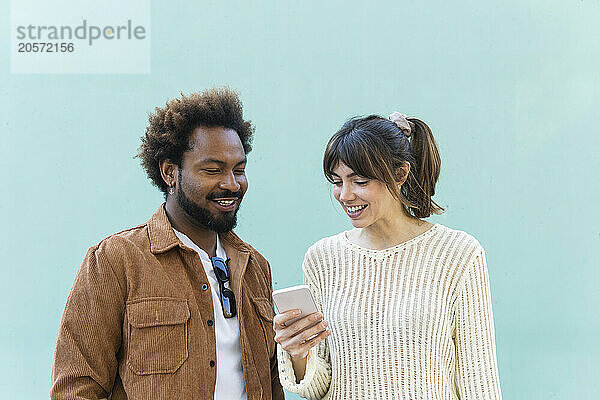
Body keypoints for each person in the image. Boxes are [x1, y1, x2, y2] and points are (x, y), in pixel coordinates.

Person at [51, 87, 284, 400]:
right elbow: (76, 389)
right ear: (170, 172)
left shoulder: (255, 268)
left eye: (239, 169)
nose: (231, 183)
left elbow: (272, 384)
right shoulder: (115, 260)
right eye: (213, 169)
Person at [273, 113, 502, 399]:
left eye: (359, 181)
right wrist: (299, 353)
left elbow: (479, 381)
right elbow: (320, 387)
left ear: (400, 174)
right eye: (337, 182)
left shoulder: (458, 254)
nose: (345, 195)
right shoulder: (322, 259)